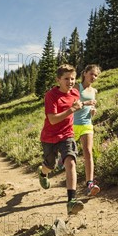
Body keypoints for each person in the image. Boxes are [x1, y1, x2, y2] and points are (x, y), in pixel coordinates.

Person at [38, 64, 95, 215]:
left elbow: (78, 104)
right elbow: (52, 120)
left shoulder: (75, 93)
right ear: (58, 80)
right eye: (66, 79)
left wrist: (88, 106)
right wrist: (71, 110)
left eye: (72, 78)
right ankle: (43, 173)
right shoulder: (51, 95)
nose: (70, 81)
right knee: (50, 165)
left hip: (67, 134)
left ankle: (71, 201)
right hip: (50, 136)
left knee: (70, 162)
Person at [73, 64, 102, 196]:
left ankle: (89, 184)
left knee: (88, 152)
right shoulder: (75, 87)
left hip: (86, 123)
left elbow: (90, 109)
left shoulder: (94, 91)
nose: (94, 77)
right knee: (69, 154)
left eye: (96, 75)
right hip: (72, 124)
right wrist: (85, 103)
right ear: (84, 73)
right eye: (92, 74)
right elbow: (70, 105)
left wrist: (92, 112)